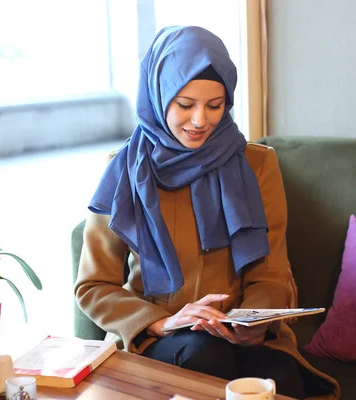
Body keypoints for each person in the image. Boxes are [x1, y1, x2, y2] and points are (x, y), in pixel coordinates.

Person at [75, 25, 339, 399]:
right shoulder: (123, 169)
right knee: (205, 357)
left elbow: (272, 272)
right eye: (185, 105)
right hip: (158, 339)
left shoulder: (258, 164)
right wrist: (161, 322)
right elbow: (93, 285)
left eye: (215, 106)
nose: (200, 120)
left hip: (242, 336)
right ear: (158, 94)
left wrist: (252, 323)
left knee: (281, 380)